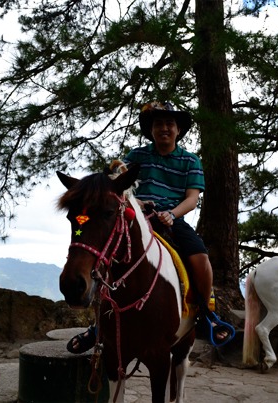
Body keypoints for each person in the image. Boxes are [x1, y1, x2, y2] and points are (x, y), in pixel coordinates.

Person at [67, 101, 235, 353]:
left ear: (179, 130)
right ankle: (99, 323)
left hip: (171, 219)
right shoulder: (137, 156)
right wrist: (135, 199)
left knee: (200, 257)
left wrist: (171, 214)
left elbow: (192, 199)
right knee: (104, 253)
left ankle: (205, 313)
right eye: (158, 124)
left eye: (170, 124)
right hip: (137, 217)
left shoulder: (190, 161)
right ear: (151, 129)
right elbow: (116, 181)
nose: (164, 128)